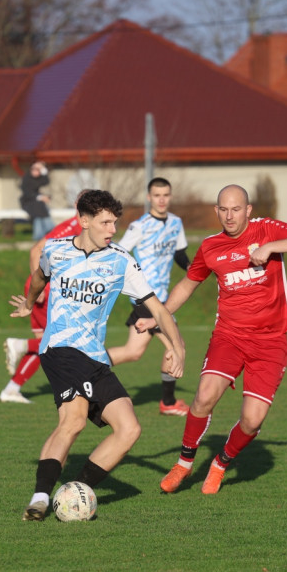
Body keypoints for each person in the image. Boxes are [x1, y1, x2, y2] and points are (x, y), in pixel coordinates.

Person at [9, 189, 186, 521]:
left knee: (129, 428)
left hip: (95, 356)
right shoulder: (56, 251)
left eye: (114, 222)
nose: (112, 229)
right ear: (84, 220)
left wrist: (178, 348)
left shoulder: (121, 260)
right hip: (59, 349)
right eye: (105, 222)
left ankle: (75, 491)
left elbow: (159, 310)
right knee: (73, 421)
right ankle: (39, 499)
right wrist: (30, 303)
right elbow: (38, 278)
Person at [144, 184, 287, 495]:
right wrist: (159, 314)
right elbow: (188, 284)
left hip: (270, 341)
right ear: (216, 211)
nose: (229, 215)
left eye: (236, 209)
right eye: (223, 209)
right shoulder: (211, 247)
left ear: (248, 210)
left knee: (252, 421)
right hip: (229, 335)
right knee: (203, 397)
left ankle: (221, 463)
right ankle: (184, 464)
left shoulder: (266, 229)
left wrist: (270, 247)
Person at [107, 177, 191, 416]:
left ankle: (85, 367)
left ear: (170, 196)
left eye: (165, 195)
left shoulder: (176, 223)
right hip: (145, 297)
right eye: (157, 195)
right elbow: (119, 252)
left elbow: (179, 253)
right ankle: (168, 402)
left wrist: (191, 269)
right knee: (176, 346)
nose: (161, 199)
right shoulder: (140, 226)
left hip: (163, 298)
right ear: (149, 198)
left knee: (133, 352)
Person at [1, 211, 83, 404]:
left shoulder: (85, 229)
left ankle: (12, 389)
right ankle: (19, 344)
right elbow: (36, 250)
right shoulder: (70, 228)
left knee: (44, 345)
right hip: (43, 290)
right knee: (61, 339)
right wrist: (41, 285)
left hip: (45, 289)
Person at [19, 161, 52, 240]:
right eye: (34, 169)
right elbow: (28, 193)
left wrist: (43, 169)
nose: (36, 171)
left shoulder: (38, 179)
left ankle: (39, 235)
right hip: (27, 202)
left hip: (37, 204)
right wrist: (41, 197)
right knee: (39, 209)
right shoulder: (26, 178)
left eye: (38, 170)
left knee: (39, 213)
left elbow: (46, 181)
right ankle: (49, 229)